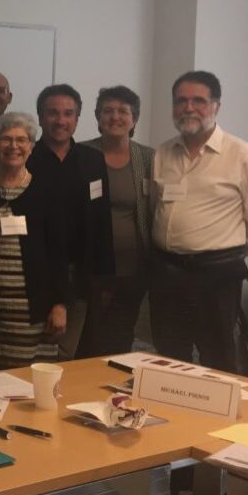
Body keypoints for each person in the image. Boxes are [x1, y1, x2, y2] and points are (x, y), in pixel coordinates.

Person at [150, 71, 248, 372]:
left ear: (216, 106)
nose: (188, 108)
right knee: (167, 356)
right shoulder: (163, 153)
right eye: (181, 101)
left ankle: (217, 421)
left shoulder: (243, 155)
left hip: (216, 276)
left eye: (198, 101)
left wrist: (223, 253)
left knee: (217, 356)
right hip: (166, 273)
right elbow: (156, 207)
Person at [0, 112, 69, 370]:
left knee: (23, 380)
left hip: (31, 307)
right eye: (5, 139)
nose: (13, 146)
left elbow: (59, 252)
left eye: (21, 140)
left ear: (32, 147)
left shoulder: (48, 189)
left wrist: (59, 304)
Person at [27, 84, 113, 358]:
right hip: (39, 272)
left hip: (83, 272)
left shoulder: (93, 161)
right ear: (40, 117)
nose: (61, 120)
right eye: (53, 113)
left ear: (77, 118)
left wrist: (105, 278)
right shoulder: (26, 160)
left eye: (68, 113)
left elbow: (102, 221)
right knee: (39, 352)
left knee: (78, 353)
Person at [78, 86, 154, 357]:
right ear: (97, 117)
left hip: (133, 269)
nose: (115, 117)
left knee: (121, 336)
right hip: (90, 267)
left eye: (124, 111)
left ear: (134, 119)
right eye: (108, 110)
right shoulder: (81, 154)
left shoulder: (147, 158)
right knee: (88, 337)